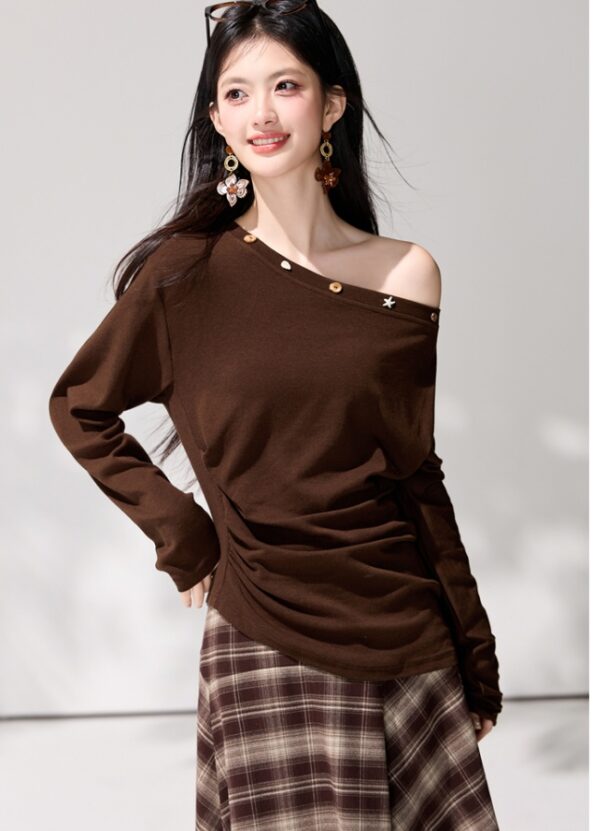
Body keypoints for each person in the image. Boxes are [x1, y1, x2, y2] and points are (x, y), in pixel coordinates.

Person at [48, 1, 504, 828]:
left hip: (408, 636)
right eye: (237, 93)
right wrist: (183, 537)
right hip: (264, 634)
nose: (261, 112)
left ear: (332, 105)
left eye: (286, 86)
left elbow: (415, 473)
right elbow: (81, 406)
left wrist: (475, 650)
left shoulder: (406, 274)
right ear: (217, 121)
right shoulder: (185, 277)